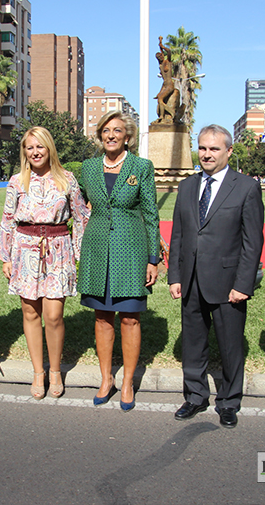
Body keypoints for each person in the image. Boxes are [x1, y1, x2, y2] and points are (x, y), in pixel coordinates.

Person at [168, 124, 264, 428]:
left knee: (231, 345)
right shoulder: (187, 186)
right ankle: (195, 396)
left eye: (214, 149)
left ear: (228, 151)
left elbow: (253, 242)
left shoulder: (247, 187)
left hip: (228, 283)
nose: (207, 154)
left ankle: (229, 402)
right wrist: (174, 276)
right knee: (193, 343)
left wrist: (243, 284)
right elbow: (179, 235)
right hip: (192, 280)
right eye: (203, 148)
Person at [0, 127, 90, 399]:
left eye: (40, 147)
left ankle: (56, 370)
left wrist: (80, 256)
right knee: (30, 313)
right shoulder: (16, 181)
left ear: (50, 149)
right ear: (24, 151)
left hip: (59, 249)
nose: (35, 152)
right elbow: (8, 219)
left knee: (54, 315)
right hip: (25, 250)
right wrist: (6, 257)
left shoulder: (67, 179)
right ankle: (38, 372)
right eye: (29, 147)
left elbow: (81, 218)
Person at [78, 111, 160, 412]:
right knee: (101, 317)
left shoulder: (142, 167)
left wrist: (154, 259)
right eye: (106, 131)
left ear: (128, 136)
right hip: (97, 250)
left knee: (130, 318)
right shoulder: (87, 168)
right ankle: (105, 379)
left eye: (118, 130)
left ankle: (127, 382)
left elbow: (151, 214)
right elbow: (78, 205)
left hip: (132, 251)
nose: (111, 135)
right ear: (100, 135)